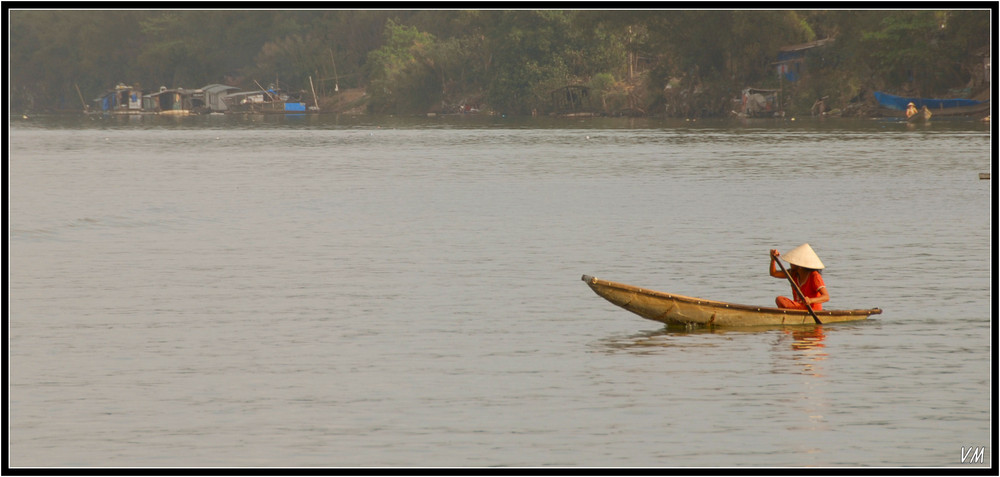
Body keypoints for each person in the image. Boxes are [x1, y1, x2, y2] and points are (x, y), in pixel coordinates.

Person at [769, 243, 829, 311]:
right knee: (780, 300)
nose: (790, 263)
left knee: (780, 299)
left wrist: (810, 300)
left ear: (799, 265)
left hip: (811, 309)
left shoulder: (814, 276)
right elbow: (774, 273)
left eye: (792, 262)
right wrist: (773, 260)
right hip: (799, 307)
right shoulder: (793, 273)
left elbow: (826, 297)